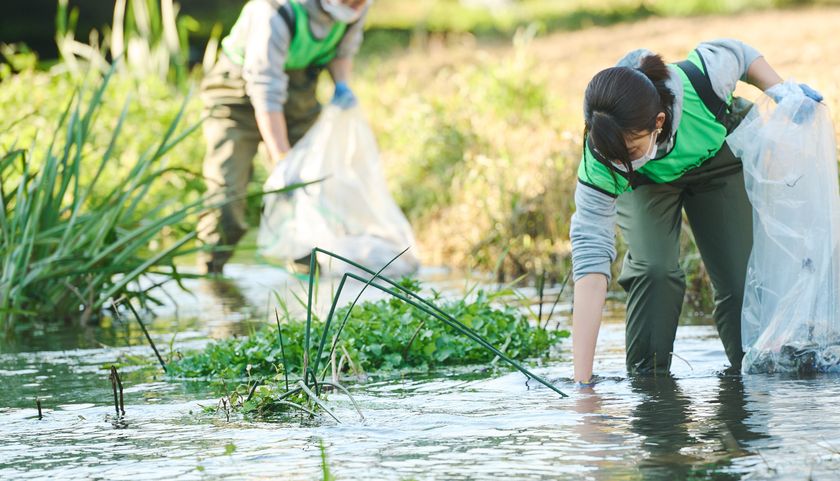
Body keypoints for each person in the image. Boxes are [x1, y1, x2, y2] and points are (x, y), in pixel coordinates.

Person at [570, 39, 824, 385]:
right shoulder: (605, 160)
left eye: (629, 149)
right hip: (645, 183)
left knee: (740, 281)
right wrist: (583, 385)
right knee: (654, 270)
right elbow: (590, 265)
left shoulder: (704, 80)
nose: (619, 160)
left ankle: (750, 378)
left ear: (659, 121)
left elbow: (740, 54)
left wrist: (781, 91)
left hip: (715, 160)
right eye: (611, 153)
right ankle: (650, 387)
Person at [197, 0, 369, 274]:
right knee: (226, 195)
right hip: (237, 96)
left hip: (298, 94)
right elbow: (266, 90)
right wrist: (281, 158)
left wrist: (342, 86)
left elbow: (342, 51)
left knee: (309, 190)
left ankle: (307, 277)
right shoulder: (275, 11)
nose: (355, 5)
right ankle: (211, 275)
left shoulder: (356, 9)